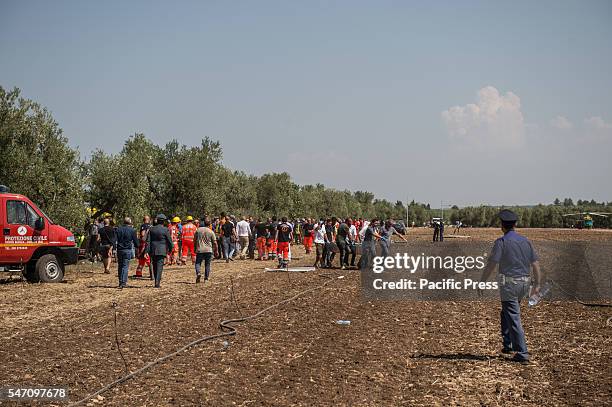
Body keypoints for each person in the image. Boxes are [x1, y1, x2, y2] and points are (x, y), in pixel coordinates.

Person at [478, 209, 542, 364]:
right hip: (525, 284)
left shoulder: (502, 242)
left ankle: (522, 352)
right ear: (515, 224)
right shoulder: (525, 241)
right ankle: (508, 344)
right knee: (507, 312)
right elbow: (535, 264)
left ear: (502, 225)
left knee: (513, 317)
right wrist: (537, 284)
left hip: (510, 285)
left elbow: (492, 264)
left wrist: (482, 281)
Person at [147, 214, 174, 288]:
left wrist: (146, 251)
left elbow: (148, 241)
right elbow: (169, 241)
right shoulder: (165, 229)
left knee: (155, 266)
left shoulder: (151, 229)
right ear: (163, 222)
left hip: (153, 250)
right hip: (162, 251)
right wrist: (171, 250)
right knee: (159, 267)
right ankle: (157, 282)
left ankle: (156, 280)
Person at [115, 217, 140, 289]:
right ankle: (123, 282)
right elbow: (135, 241)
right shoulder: (132, 230)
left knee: (120, 265)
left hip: (119, 249)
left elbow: (115, 240)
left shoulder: (118, 229)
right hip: (127, 249)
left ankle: (120, 281)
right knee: (125, 266)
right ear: (130, 222)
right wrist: (138, 247)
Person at [193, 217, 218, 283]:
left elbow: (194, 240)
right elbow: (215, 242)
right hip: (208, 250)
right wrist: (216, 251)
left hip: (199, 249)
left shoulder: (198, 230)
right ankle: (206, 279)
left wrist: (194, 248)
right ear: (210, 224)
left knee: (198, 263)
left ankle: (198, 273)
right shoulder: (211, 231)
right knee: (207, 264)